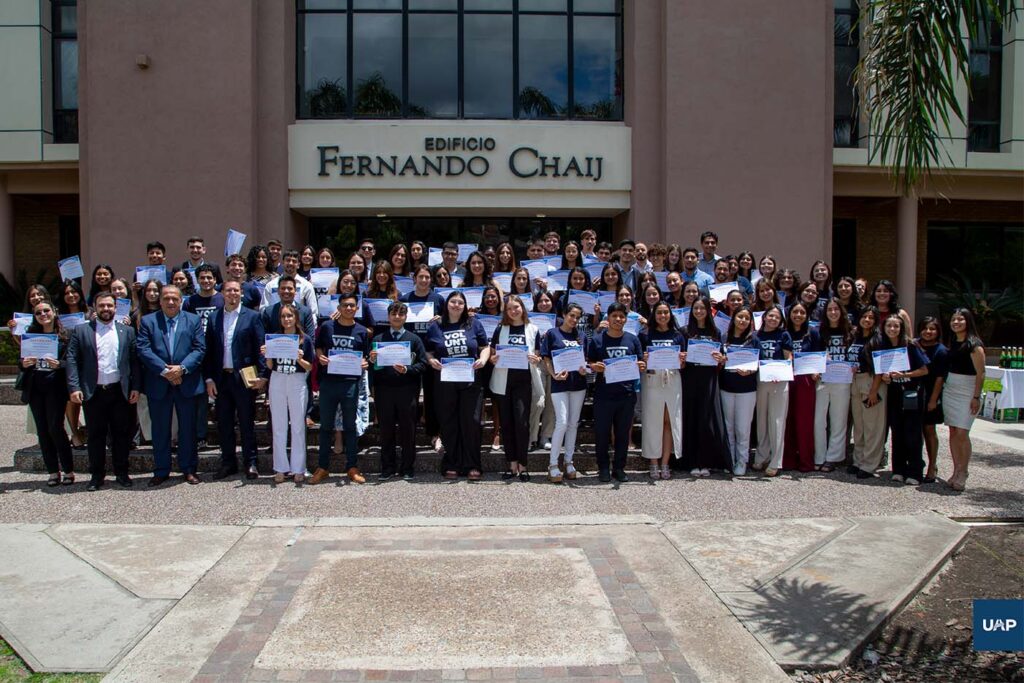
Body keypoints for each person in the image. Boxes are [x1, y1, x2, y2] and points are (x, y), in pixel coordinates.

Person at [66, 292, 141, 490]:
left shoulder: (127, 331)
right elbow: (72, 360)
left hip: (119, 392)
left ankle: (122, 473)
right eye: (102, 306)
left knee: (121, 435)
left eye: (110, 306)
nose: (106, 309)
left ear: (115, 308)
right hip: (94, 392)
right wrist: (74, 387)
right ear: (94, 307)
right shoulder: (81, 331)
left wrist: (136, 387)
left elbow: (135, 362)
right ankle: (96, 476)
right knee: (95, 436)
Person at [136, 284, 206, 486]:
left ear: (181, 300)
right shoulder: (149, 321)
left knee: (187, 429)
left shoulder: (192, 320)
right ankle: (161, 469)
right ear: (160, 300)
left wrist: (181, 369)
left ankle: (189, 469)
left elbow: (200, 349)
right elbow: (143, 349)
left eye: (175, 298)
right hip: (159, 382)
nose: (171, 301)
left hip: (186, 381)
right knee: (160, 429)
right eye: (166, 298)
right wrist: (166, 371)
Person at [203, 281, 267, 480]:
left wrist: (263, 376)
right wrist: (209, 379)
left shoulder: (253, 317)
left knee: (247, 422)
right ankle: (228, 463)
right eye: (228, 290)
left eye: (236, 291)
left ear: (241, 293)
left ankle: (251, 462)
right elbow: (208, 352)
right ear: (222, 293)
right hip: (221, 378)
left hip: (244, 378)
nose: (232, 294)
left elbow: (261, 348)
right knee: (224, 424)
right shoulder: (214, 318)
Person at [425, 290, 491, 480]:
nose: (456, 305)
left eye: (460, 302)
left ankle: (472, 464)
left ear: (465, 306)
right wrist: (431, 361)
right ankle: (452, 462)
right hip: (445, 381)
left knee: (471, 422)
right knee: (449, 422)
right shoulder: (436, 326)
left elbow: (484, 346)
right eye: (453, 302)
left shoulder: (474, 324)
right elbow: (428, 351)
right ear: (446, 304)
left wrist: (483, 360)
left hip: (470, 380)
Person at [312, 293, 371, 485]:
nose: (348, 308)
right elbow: (318, 347)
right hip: (329, 382)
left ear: (356, 308)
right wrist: (320, 357)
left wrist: (364, 363)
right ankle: (323, 467)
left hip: (350, 383)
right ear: (338, 307)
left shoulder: (361, 331)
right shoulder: (327, 327)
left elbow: (366, 357)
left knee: (350, 427)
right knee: (326, 427)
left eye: (352, 305)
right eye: (345, 305)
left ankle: (352, 467)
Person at [588, 302, 645, 483]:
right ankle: (603, 467)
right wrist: (594, 366)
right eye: (614, 316)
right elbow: (589, 363)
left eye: (621, 316)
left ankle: (619, 468)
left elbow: (641, 363)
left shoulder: (632, 339)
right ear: (608, 318)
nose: (618, 319)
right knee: (602, 433)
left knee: (622, 434)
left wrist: (641, 366)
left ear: (626, 319)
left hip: (626, 394)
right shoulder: (597, 340)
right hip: (604, 394)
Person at [18, 301, 74, 486]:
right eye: (38, 312)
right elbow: (22, 363)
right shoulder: (30, 337)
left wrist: (60, 365)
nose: (43, 314)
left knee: (55, 428)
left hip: (55, 389)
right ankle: (52, 471)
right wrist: (23, 364)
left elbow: (73, 362)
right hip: (36, 389)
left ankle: (68, 470)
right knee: (42, 431)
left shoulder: (65, 336)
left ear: (54, 312)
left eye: (46, 310)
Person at [370, 302, 428, 480]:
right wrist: (372, 361)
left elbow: (423, 364)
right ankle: (387, 468)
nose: (397, 317)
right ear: (388, 316)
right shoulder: (378, 340)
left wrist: (407, 370)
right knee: (386, 430)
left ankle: (407, 467)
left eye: (401, 314)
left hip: (407, 390)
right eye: (393, 314)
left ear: (405, 317)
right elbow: (374, 369)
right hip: (384, 391)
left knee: (408, 430)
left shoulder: (414, 339)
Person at [870, 315, 929, 486]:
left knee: (913, 434)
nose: (892, 329)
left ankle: (915, 471)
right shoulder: (884, 347)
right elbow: (882, 372)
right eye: (889, 326)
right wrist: (887, 378)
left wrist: (905, 375)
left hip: (911, 394)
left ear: (901, 328)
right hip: (894, 394)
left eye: (896, 326)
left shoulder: (910, 345)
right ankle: (898, 470)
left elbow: (924, 370)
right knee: (897, 432)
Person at [489, 295, 540, 481]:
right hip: (504, 382)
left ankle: (523, 464)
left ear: (523, 308)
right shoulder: (500, 329)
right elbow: (493, 354)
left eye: (516, 307)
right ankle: (511, 463)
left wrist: (536, 359)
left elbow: (538, 355)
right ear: (506, 311)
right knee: (507, 424)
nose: (514, 311)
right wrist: (493, 359)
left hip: (523, 382)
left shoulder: (533, 329)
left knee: (522, 423)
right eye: (510, 308)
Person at [263, 303, 314, 484]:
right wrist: (268, 355)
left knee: (298, 425)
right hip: (278, 378)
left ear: (296, 318)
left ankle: (298, 468)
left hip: (297, 380)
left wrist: (300, 359)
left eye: (289, 316)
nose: (286, 319)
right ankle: (280, 468)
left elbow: (310, 367)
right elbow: (270, 366)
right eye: (283, 316)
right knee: (278, 425)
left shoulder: (304, 339)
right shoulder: (275, 338)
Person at [680, 296, 731, 475]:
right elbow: (679, 356)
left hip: (709, 379)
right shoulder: (685, 331)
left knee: (707, 420)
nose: (699, 311)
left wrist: (721, 358)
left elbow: (722, 356)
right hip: (690, 379)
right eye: (695, 308)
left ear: (708, 310)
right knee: (692, 418)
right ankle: (692, 461)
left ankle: (706, 461)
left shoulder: (715, 331)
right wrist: (683, 357)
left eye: (702, 308)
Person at [541, 303, 589, 483]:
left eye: (578, 317)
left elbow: (585, 360)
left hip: (578, 384)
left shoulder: (582, 336)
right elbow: (546, 358)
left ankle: (569, 461)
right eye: (572, 315)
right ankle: (553, 464)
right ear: (564, 314)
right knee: (561, 422)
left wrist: (585, 369)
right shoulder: (553, 334)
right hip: (559, 384)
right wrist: (554, 374)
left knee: (573, 423)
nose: (574, 320)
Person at [401, 264, 446, 453]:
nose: (424, 280)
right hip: (409, 353)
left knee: (433, 395)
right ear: (414, 278)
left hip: (431, 353)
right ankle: (407, 434)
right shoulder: (405, 300)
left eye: (428, 277)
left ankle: (435, 434)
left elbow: (448, 324)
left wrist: (440, 320)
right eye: (421, 277)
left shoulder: (438, 299)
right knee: (409, 395)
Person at [640, 301, 686, 480]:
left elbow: (682, 363)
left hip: (672, 379)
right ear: (654, 315)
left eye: (666, 312)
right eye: (659, 313)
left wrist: (682, 360)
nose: (663, 316)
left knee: (669, 421)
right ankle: (653, 462)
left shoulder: (678, 335)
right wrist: (643, 358)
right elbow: (640, 362)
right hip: (652, 379)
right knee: (653, 422)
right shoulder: (644, 334)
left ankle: (665, 462)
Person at [943, 308, 985, 492]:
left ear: (968, 322)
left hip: (968, 390)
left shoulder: (974, 345)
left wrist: (976, 396)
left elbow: (981, 373)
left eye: (960, 319)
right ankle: (956, 469)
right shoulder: (952, 342)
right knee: (953, 431)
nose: (956, 322)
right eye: (954, 319)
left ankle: (964, 471)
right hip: (951, 388)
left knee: (962, 432)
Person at [751, 305, 793, 477]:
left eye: (777, 317)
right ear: (764, 317)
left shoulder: (783, 335)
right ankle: (761, 456)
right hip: (761, 380)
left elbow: (788, 357)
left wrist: (781, 372)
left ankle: (776, 461)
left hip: (779, 381)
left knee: (776, 421)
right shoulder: (755, 336)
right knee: (761, 419)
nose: (774, 319)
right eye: (771, 316)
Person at [814, 298, 854, 471]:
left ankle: (833, 457)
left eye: (836, 309)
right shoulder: (818, 331)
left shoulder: (850, 332)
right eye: (829, 309)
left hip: (842, 381)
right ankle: (819, 455)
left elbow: (854, 355)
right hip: (823, 379)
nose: (833, 312)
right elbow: (813, 354)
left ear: (841, 311)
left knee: (838, 420)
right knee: (818, 420)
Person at [848, 307, 886, 479]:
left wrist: (874, 391)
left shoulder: (878, 340)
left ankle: (870, 464)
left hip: (871, 382)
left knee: (872, 426)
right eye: (864, 316)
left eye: (871, 317)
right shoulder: (855, 337)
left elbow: (880, 368)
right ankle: (858, 460)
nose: (867, 320)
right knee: (860, 425)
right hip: (855, 381)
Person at [782, 301, 820, 473]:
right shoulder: (784, 333)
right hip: (787, 378)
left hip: (805, 380)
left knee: (804, 421)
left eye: (802, 313)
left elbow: (821, 355)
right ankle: (788, 460)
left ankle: (806, 461)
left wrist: (817, 370)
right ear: (789, 315)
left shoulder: (812, 332)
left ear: (806, 315)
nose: (798, 315)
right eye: (795, 312)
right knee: (787, 419)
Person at [720, 307, 759, 475]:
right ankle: (730, 460)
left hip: (747, 390)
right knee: (728, 427)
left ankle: (742, 461)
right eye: (739, 317)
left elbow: (759, 362)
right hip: (726, 387)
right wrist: (720, 360)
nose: (742, 321)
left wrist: (751, 370)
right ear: (733, 318)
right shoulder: (724, 338)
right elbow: (717, 361)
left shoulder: (754, 339)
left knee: (743, 428)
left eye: (746, 318)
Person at [915, 316, 948, 483]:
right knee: (914, 431)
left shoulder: (941, 351)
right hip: (913, 393)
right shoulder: (914, 345)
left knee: (929, 430)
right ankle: (915, 465)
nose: (928, 332)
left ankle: (932, 465)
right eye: (925, 328)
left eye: (932, 329)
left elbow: (940, 378)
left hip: (930, 394)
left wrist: (933, 400)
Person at [261, 249, 319, 317]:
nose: (291, 263)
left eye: (294, 261)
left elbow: (313, 312)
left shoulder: (306, 285)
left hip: (299, 325)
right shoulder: (271, 285)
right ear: (282, 263)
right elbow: (263, 309)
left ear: (298, 265)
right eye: (288, 260)